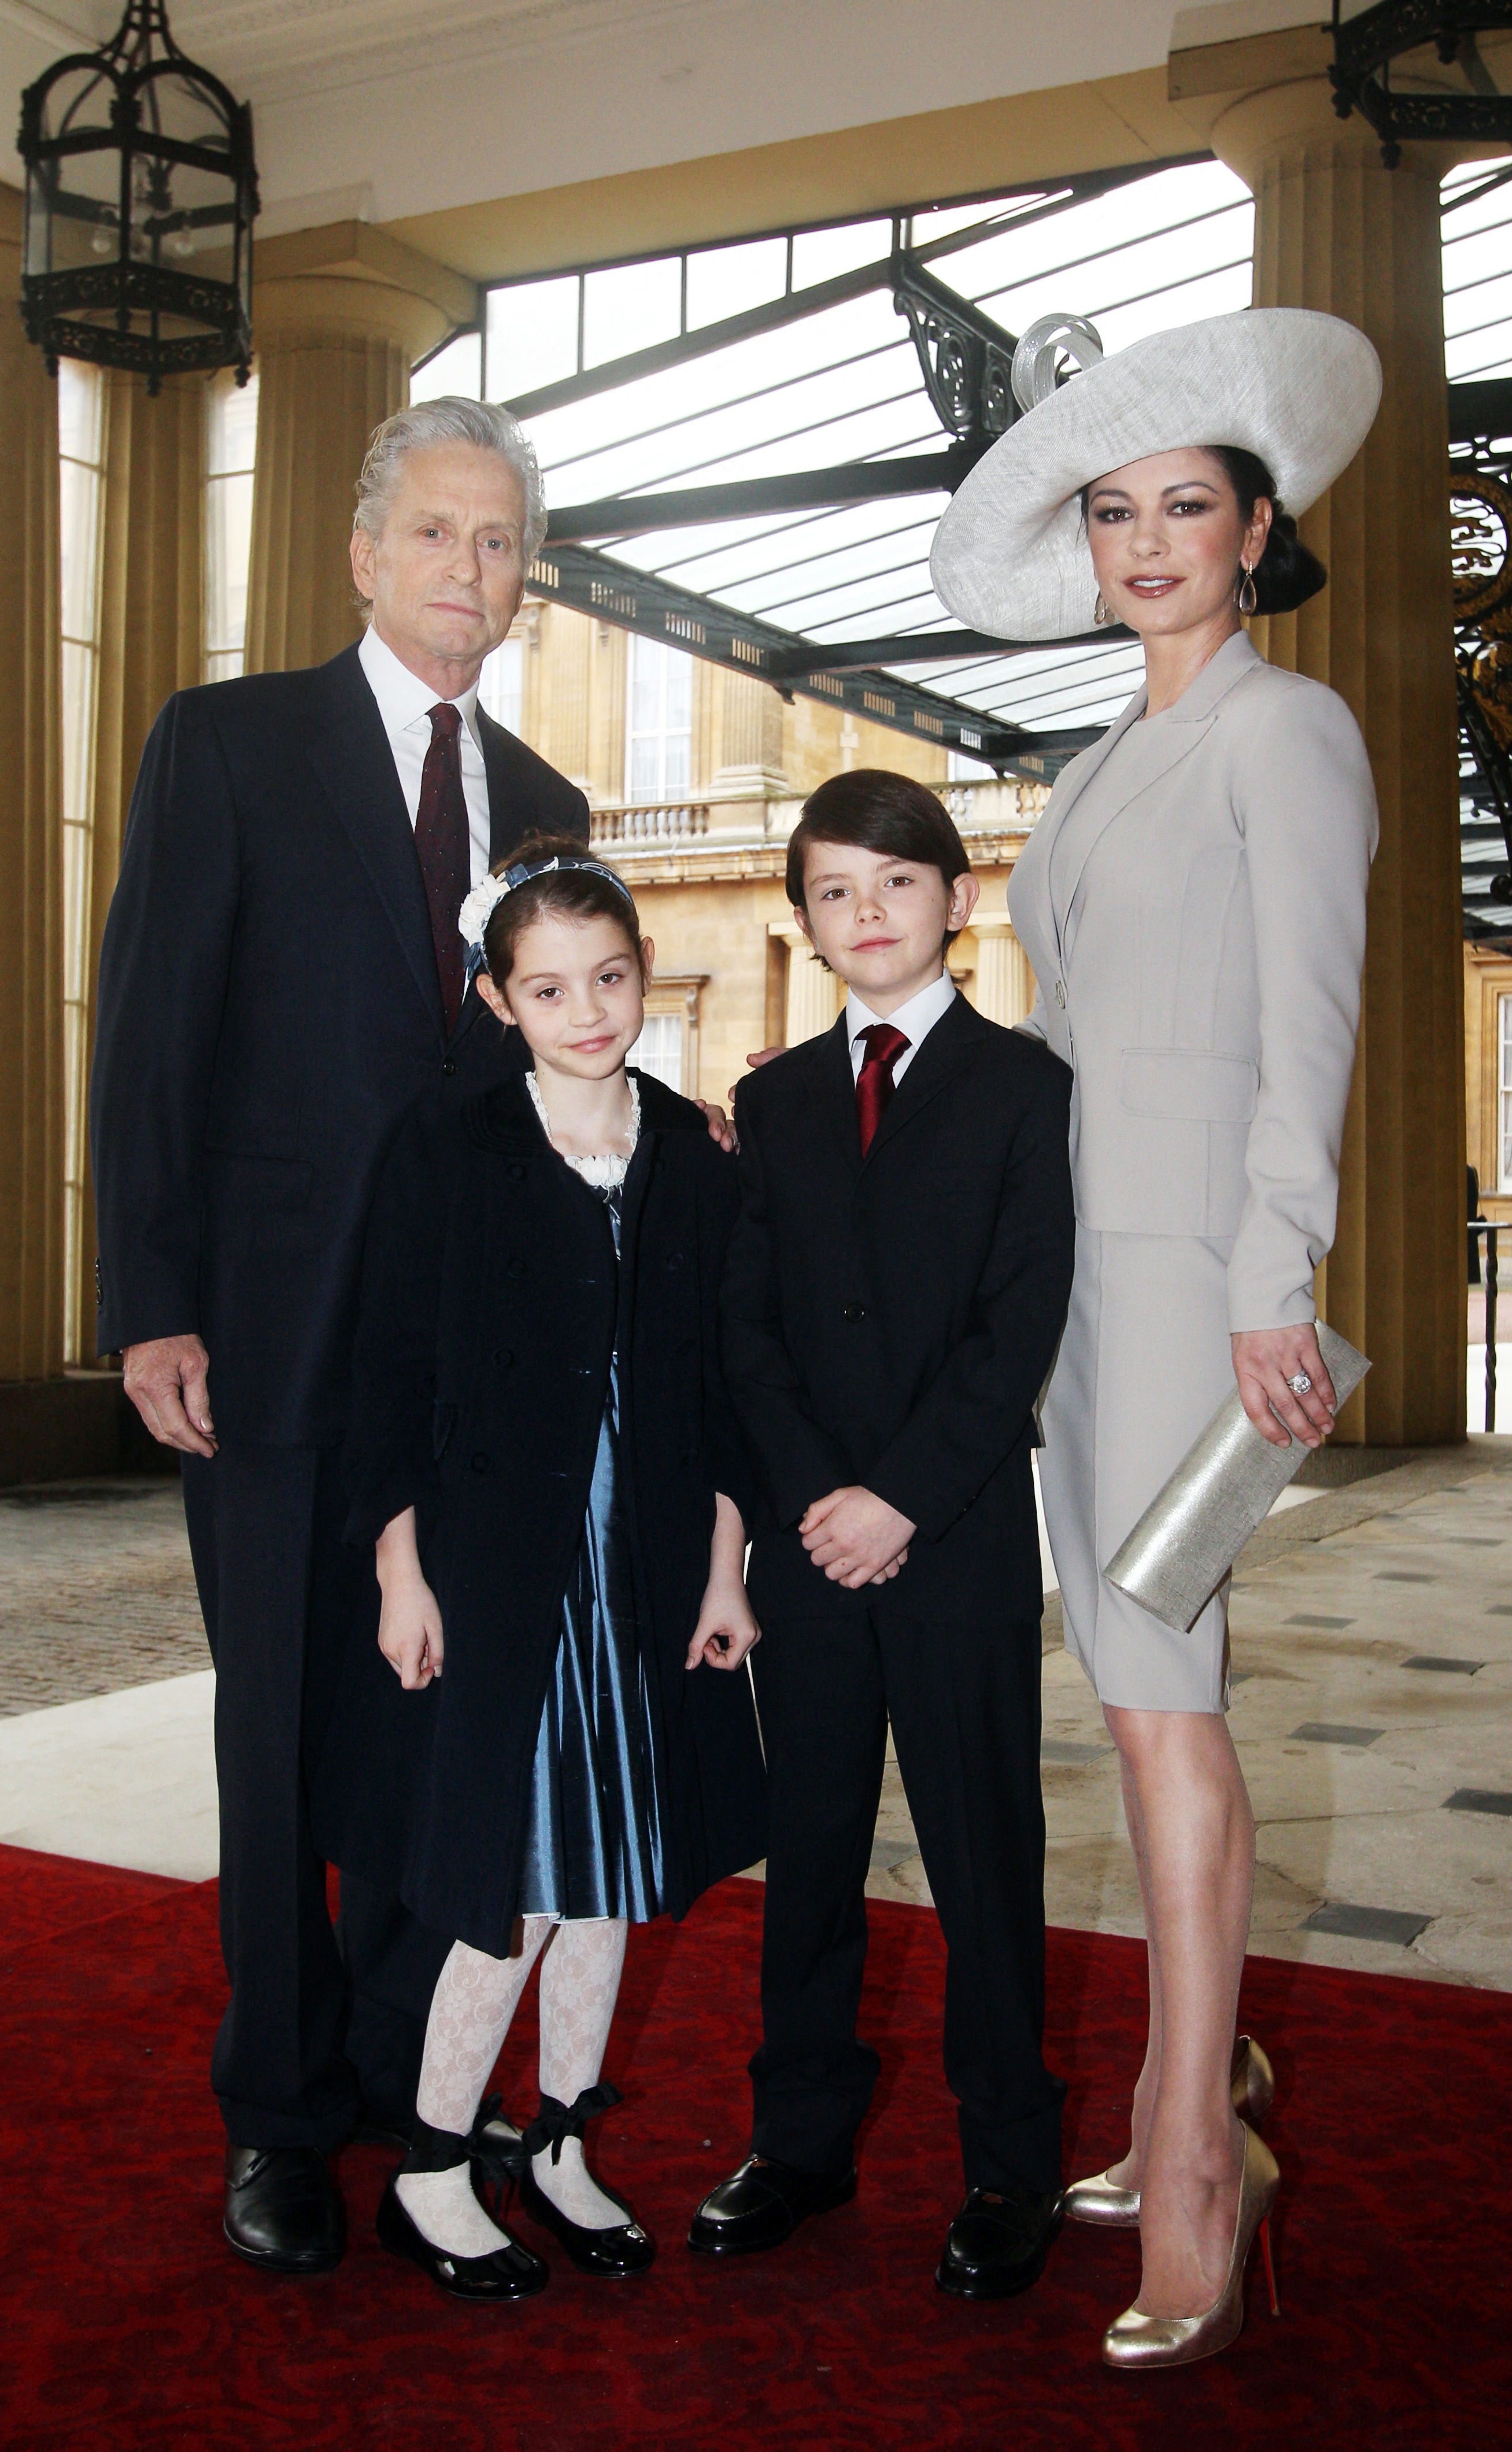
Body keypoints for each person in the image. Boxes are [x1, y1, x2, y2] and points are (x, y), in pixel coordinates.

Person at [90, 396, 724, 2277]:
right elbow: (146, 1037)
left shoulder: (543, 803)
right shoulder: (224, 744)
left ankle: (391, 2069)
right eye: (438, 534)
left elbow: (548, 1065)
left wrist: (691, 1138)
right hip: (268, 1344)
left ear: (527, 582)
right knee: (282, 1735)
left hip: (467, 1373)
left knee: (430, 1732)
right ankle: (279, 2113)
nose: (470, 569)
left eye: (501, 543)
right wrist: (151, 1304)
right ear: (364, 554)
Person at [930, 305, 1381, 2368]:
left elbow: (1308, 1024)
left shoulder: (1283, 733)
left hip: (1194, 1281)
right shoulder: (1107, 751)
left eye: (1180, 503)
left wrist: (1270, 1276)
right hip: (1084, 1286)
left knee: (1153, 1703)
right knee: (1140, 1690)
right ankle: (1172, 2103)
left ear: (1253, 523)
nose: (1142, 538)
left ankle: (1191, 2158)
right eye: (1110, 510)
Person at [312, 838, 767, 2302]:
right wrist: (399, 1570)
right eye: (550, 986)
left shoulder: (693, 1153)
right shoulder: (446, 1144)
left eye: (612, 978)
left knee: (608, 1875)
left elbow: (717, 1383)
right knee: (500, 1876)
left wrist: (723, 1566)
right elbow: (380, 1374)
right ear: (499, 998)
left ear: (643, 977)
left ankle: (562, 2137)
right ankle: (435, 2161)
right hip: (502, 1570)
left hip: (640, 1565)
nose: (588, 1010)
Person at [691, 771, 1075, 2301]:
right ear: (805, 920)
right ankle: (800, 2139)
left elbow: (1020, 1318)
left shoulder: (1026, 1088)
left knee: (986, 1850)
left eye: (896, 885)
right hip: (809, 1542)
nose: (868, 914)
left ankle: (1011, 2160)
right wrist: (817, 1505)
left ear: (954, 899)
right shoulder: (775, 1099)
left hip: (959, 1531)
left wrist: (903, 1496)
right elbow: (749, 1330)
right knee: (815, 1852)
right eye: (837, 892)